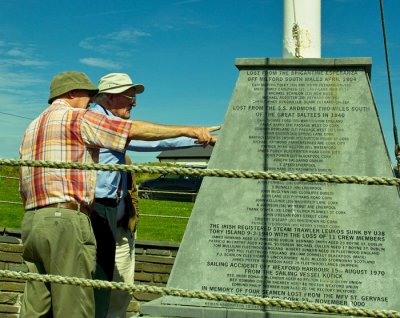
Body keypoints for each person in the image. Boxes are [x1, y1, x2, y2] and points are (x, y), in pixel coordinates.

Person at [19, 71, 219, 318]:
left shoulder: (34, 126)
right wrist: (189, 130)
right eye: (88, 95)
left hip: (33, 220)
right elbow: (134, 131)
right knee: (75, 304)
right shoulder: (79, 118)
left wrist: (194, 138)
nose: (91, 101)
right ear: (72, 94)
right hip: (70, 217)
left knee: (38, 305)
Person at [90, 73, 212, 317]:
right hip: (96, 220)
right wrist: (190, 130)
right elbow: (139, 132)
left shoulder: (116, 128)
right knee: (96, 288)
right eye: (129, 98)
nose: (134, 104)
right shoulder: (95, 119)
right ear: (111, 98)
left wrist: (200, 140)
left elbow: (154, 144)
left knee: (120, 289)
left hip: (120, 225)